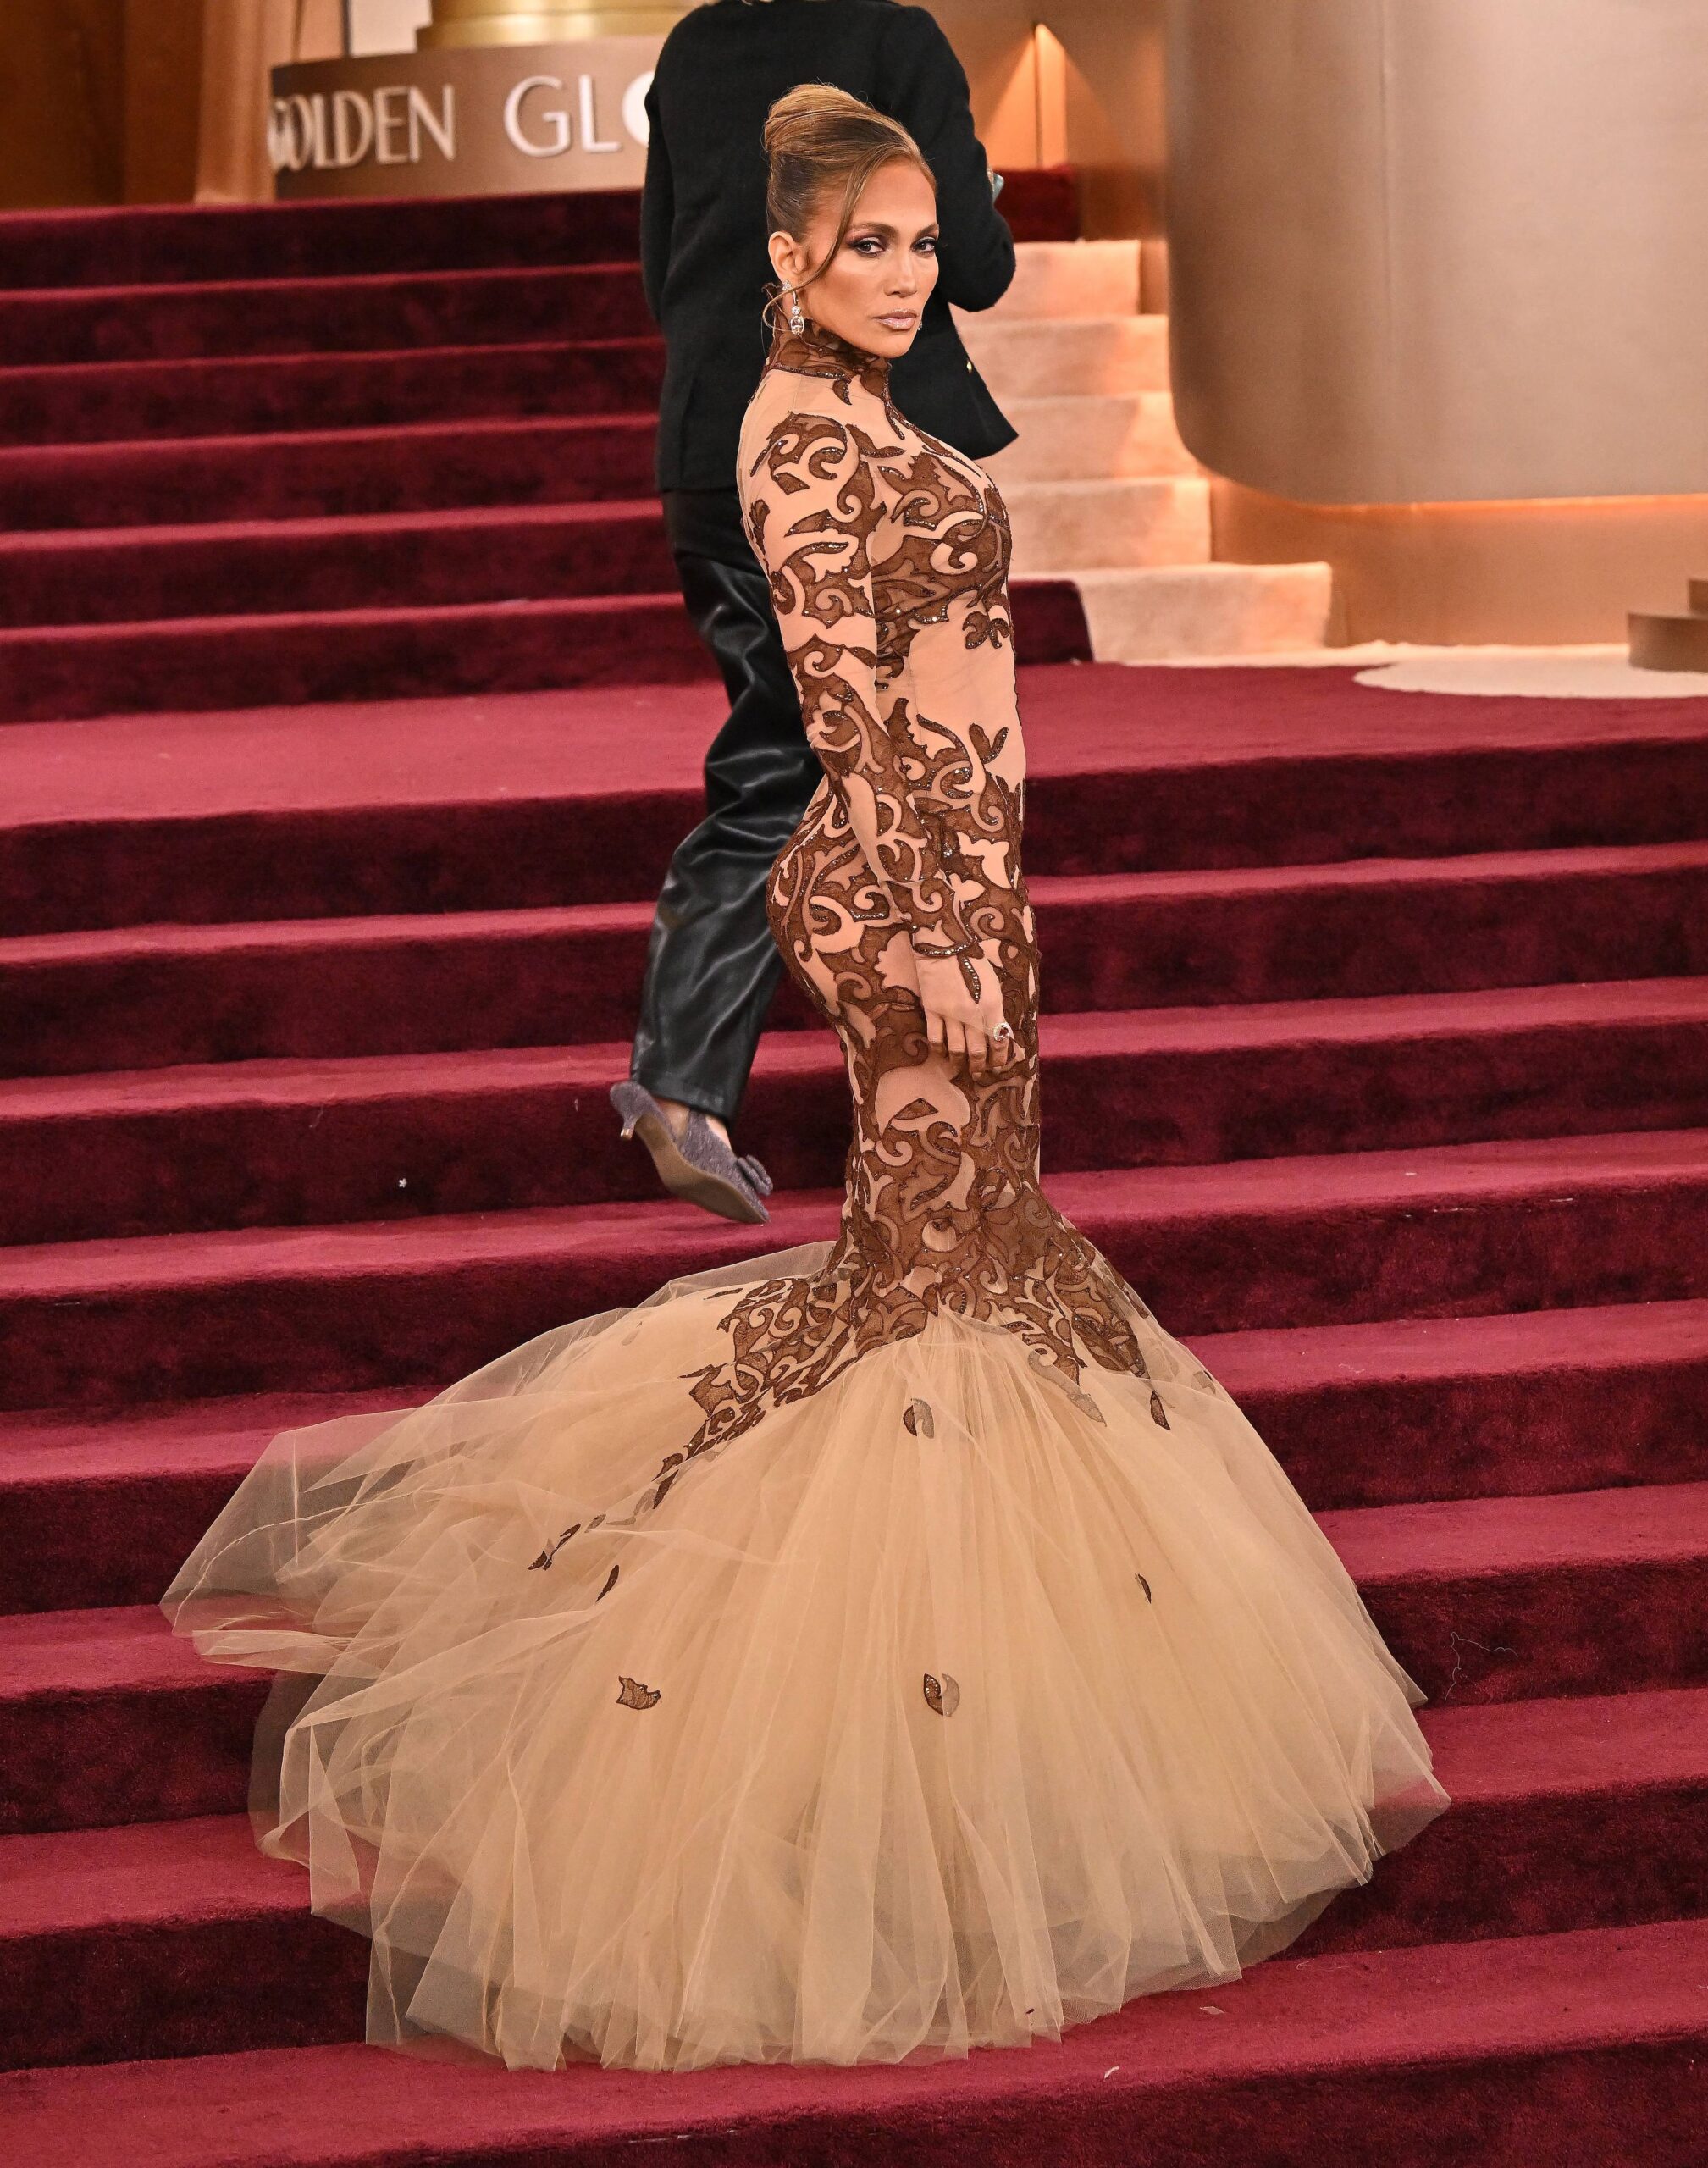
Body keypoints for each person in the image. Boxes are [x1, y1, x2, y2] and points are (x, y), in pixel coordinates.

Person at [162, 90, 1447, 2076]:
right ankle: (883, 1788)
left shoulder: (879, 409)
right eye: (869, 245)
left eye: (925, 244)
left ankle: (1007, 1744)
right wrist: (922, 941)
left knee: (969, 1276)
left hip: (975, 888)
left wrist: (992, 915)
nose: (906, 272)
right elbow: (852, 718)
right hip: (909, 889)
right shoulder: (792, 427)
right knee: (932, 1294)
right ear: (781, 254)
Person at [614, 0, 1018, 1225]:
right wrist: (975, 193)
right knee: (840, 763)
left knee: (787, 758)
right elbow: (981, 268)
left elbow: (658, 268)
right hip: (848, 456)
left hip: (707, 437)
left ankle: (884, 1100)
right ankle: (689, 1085)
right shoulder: (895, 41)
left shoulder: (691, 45)